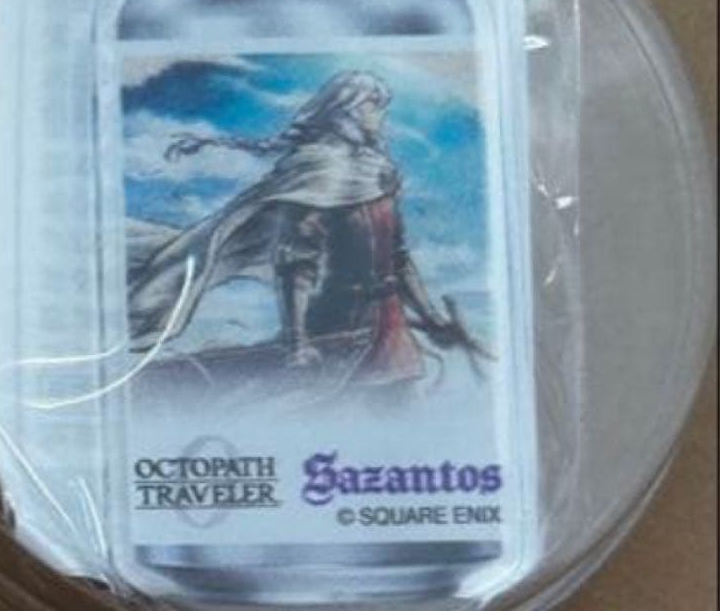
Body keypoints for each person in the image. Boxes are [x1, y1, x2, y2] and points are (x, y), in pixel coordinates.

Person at [126, 70, 473, 391]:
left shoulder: (378, 172)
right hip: (335, 331)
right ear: (347, 111)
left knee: (398, 403)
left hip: (392, 330)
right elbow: (295, 267)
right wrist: (298, 343)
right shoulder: (312, 172)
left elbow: (398, 258)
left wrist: (433, 318)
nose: (380, 117)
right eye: (374, 107)